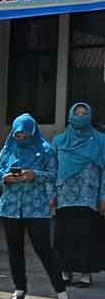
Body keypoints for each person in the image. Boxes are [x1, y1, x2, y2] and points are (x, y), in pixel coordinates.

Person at [0, 114, 70, 299]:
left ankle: (61, 292)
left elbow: (54, 175)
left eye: (25, 136)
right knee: (14, 249)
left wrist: (34, 175)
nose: (20, 139)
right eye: (17, 135)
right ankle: (19, 287)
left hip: (36, 208)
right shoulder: (8, 148)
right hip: (10, 207)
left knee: (43, 248)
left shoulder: (45, 150)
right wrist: (6, 177)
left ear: (33, 134)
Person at [52, 103, 105, 288]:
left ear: (90, 116)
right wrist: (51, 195)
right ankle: (65, 272)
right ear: (70, 116)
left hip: (88, 195)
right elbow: (52, 169)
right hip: (64, 195)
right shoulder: (59, 141)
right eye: (77, 113)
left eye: (84, 114)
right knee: (64, 234)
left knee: (86, 234)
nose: (80, 117)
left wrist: (103, 197)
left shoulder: (100, 140)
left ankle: (85, 274)